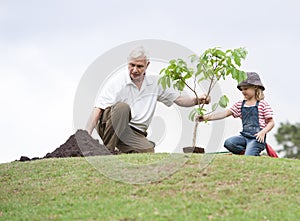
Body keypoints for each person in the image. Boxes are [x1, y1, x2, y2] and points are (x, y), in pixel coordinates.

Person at [86, 46, 210, 153]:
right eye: (132, 65)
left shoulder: (155, 82)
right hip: (109, 124)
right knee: (122, 108)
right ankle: (108, 151)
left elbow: (179, 100)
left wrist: (198, 100)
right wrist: (85, 135)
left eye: (140, 66)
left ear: (147, 65)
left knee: (147, 151)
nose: (135, 70)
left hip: (132, 131)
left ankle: (125, 150)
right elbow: (98, 109)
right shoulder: (117, 82)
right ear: (127, 63)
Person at [197, 72, 274, 156]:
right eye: (242, 89)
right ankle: (248, 153)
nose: (243, 91)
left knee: (248, 157)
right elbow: (224, 114)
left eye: (246, 88)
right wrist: (205, 117)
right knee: (229, 143)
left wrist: (262, 132)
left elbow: (271, 122)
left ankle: (251, 153)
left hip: (257, 139)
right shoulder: (240, 104)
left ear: (255, 87)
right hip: (244, 137)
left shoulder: (263, 104)